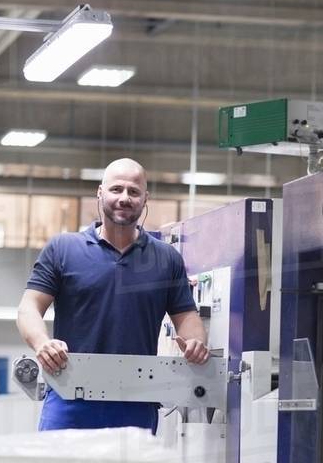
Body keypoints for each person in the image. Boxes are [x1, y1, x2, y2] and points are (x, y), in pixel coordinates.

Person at [16, 158, 210, 432]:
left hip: (136, 402)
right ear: (100, 193)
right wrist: (41, 343)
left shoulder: (165, 258)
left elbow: (186, 315)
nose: (124, 198)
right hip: (70, 397)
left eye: (134, 191)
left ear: (145, 199)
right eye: (116, 189)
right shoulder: (63, 249)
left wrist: (196, 343)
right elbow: (29, 307)